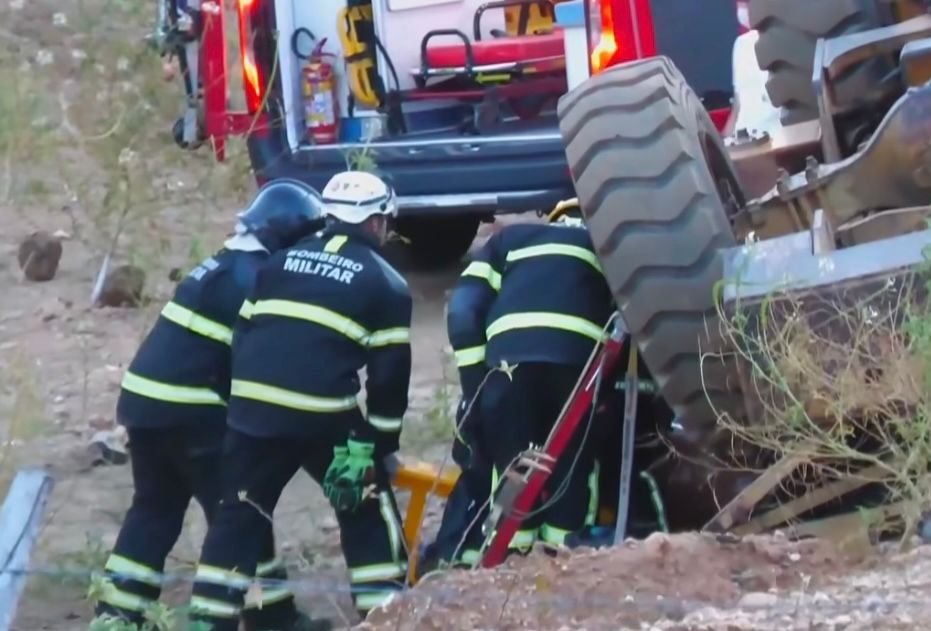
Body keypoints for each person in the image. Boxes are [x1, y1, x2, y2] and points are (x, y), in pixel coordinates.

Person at [91, 179, 329, 631]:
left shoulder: (221, 266)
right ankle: (273, 620)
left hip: (146, 403)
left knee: (154, 511)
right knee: (240, 514)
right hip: (193, 409)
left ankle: (116, 618)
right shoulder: (258, 278)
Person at [188, 170, 411, 630]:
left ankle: (208, 622)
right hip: (324, 418)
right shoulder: (385, 283)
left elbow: (243, 336)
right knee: (365, 507)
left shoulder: (276, 263)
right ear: (375, 223)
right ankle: (386, 616)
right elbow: (390, 377)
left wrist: (243, 414)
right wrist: (380, 444)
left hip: (252, 416)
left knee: (238, 519)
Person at [443, 200, 615, 559]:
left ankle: (508, 557)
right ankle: (565, 559)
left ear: (553, 217)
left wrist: (477, 386)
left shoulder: (511, 238)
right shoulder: (608, 246)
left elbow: (462, 311)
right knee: (573, 465)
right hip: (576, 366)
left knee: (511, 467)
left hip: (508, 364)